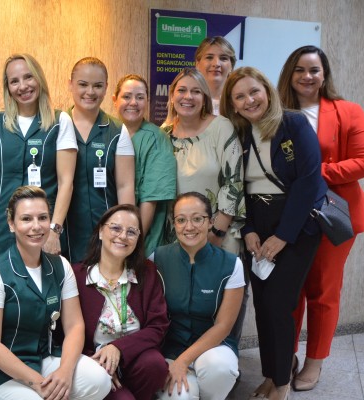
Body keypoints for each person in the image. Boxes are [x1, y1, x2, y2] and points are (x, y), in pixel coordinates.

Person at [221, 66, 327, 400]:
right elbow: (240, 185)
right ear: (233, 105)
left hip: (296, 223)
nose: (249, 100)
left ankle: (281, 383)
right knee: (264, 304)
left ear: (267, 91)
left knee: (279, 303)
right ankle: (271, 374)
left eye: (254, 91)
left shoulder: (293, 123)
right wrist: (249, 229)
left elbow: (308, 182)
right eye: (240, 96)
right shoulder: (240, 132)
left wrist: (283, 235)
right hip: (258, 220)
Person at [277, 46, 364, 391]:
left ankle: (314, 361)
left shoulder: (348, 111)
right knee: (290, 291)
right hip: (286, 217)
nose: (307, 76)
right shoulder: (276, 112)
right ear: (289, 74)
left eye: (314, 70)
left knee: (323, 292)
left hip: (331, 216)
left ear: (324, 75)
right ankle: (285, 356)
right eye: (300, 70)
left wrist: (313, 173)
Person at [0, 185, 111, 400]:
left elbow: (75, 326)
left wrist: (65, 372)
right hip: (0, 371)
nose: (36, 226)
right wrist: (38, 384)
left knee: (99, 380)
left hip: (43, 358)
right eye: (26, 219)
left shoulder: (61, 265)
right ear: (11, 224)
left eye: (43, 218)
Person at [0, 54, 77, 260]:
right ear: (8, 87)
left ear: (39, 78)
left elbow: (66, 182)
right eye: (14, 81)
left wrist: (55, 230)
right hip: (0, 225)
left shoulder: (60, 121)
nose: (23, 86)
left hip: (43, 227)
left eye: (28, 77)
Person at [152, 192, 244, 400]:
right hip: (171, 350)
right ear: (174, 224)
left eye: (197, 219)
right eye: (181, 220)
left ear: (210, 222)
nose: (189, 227)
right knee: (180, 397)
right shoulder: (158, 259)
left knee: (220, 368)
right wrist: (176, 361)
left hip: (214, 348)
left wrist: (184, 361)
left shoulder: (231, 265)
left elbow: (223, 326)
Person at [74, 204, 169, 400]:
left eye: (131, 232)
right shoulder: (76, 276)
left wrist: (118, 348)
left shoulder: (147, 271)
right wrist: (99, 362)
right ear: (101, 231)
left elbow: (158, 326)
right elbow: (65, 333)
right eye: (116, 228)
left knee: (156, 365)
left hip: (135, 356)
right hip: (96, 361)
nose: (123, 236)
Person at [162, 68, 244, 256]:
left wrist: (217, 233)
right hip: (176, 238)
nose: (188, 97)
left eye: (196, 91)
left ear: (205, 97)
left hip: (217, 236)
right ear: (172, 96)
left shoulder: (221, 127)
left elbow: (234, 183)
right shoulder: (163, 134)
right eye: (181, 90)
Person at [64, 57, 135, 263]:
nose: (90, 92)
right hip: (64, 229)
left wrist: (128, 230)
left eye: (97, 86)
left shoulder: (117, 131)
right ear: (70, 84)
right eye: (83, 84)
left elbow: (125, 186)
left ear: (106, 88)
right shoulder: (57, 126)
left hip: (106, 230)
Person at [112, 75, 177, 256]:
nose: (133, 102)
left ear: (148, 101)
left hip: (142, 239)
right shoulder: (108, 133)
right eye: (127, 96)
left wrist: (133, 241)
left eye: (140, 97)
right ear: (114, 100)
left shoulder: (156, 139)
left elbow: (151, 200)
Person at [194, 36, 237, 115]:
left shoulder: (239, 102)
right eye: (209, 57)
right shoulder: (188, 100)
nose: (216, 64)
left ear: (231, 66)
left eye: (223, 58)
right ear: (197, 64)